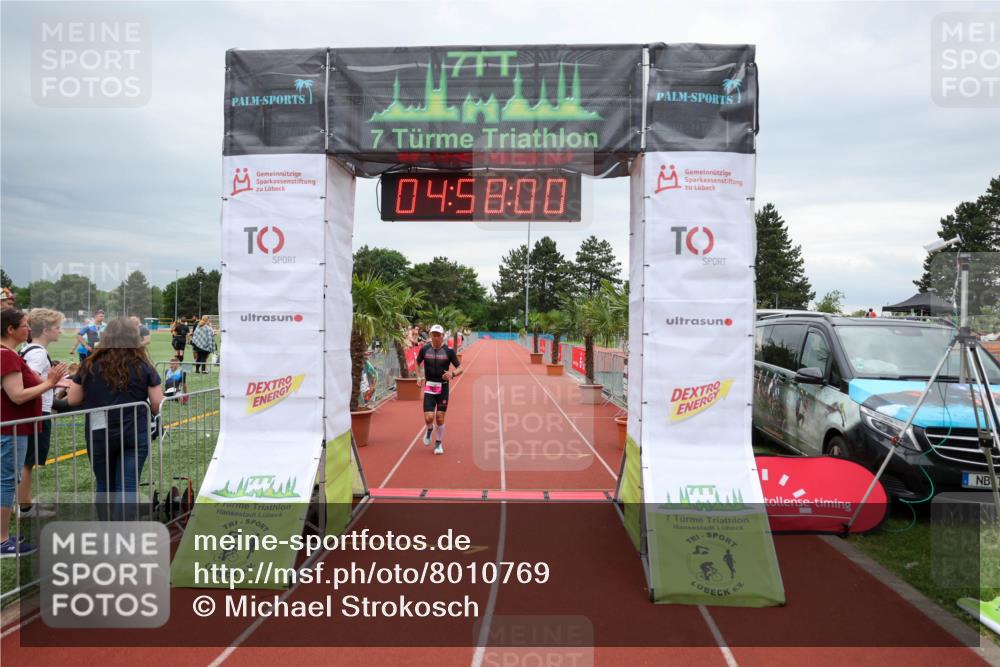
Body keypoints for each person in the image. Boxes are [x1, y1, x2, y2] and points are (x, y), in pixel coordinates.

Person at [65, 318, 163, 519]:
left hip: (98, 431)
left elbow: (73, 399)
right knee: (127, 486)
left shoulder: (89, 364)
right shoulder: (143, 366)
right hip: (134, 431)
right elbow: (157, 402)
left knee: (104, 484)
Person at [1, 308, 67, 556]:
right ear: (10, 329)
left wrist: (54, 381)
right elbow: (17, 396)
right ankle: (2, 540)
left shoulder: (10, 354)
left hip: (14, 428)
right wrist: (50, 383)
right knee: (7, 481)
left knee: (9, 479)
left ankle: (4, 536)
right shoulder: (6, 356)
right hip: (10, 428)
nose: (29, 329)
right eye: (25, 325)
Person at [17, 308, 67, 519]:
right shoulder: (38, 353)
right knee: (28, 462)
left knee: (25, 461)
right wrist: (51, 383)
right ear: (45, 330)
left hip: (34, 411)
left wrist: (58, 383)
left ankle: (24, 502)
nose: (61, 332)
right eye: (57, 328)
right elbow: (31, 378)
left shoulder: (28, 348)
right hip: (37, 411)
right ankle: (25, 507)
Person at [415, 324, 463, 455]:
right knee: (429, 418)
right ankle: (429, 429)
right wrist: (419, 377)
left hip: (443, 388)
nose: (435, 338)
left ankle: (438, 443)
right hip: (429, 387)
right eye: (433, 335)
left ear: (443, 336)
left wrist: (452, 374)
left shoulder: (449, 351)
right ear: (431, 336)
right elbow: (417, 362)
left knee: (440, 417)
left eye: (438, 335)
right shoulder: (425, 350)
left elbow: (460, 368)